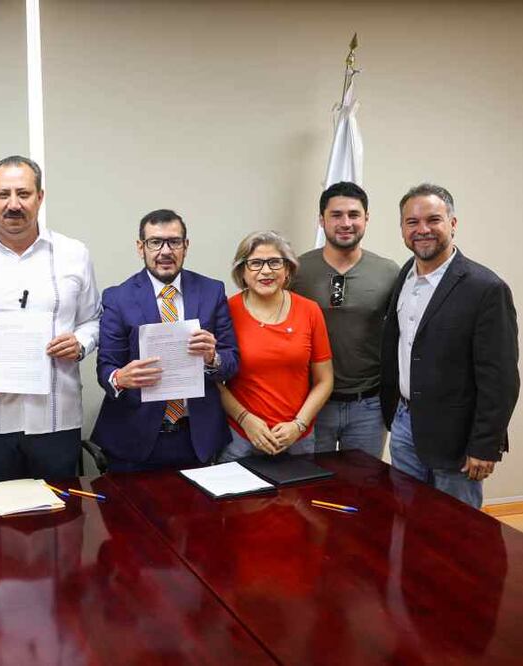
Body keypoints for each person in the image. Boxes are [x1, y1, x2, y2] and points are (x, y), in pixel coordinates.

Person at [0, 155, 101, 484]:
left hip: (56, 416)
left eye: (23, 194)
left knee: (60, 521)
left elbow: (92, 320)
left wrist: (81, 343)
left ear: (40, 197)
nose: (13, 204)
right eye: (3, 194)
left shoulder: (74, 254)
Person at [381, 184, 518, 509]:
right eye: (412, 222)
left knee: (458, 535)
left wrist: (485, 445)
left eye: (433, 219)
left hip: (456, 437)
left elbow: (499, 378)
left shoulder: (485, 288)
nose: (422, 229)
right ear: (402, 228)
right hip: (404, 424)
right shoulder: (405, 275)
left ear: (453, 224)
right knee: (408, 521)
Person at [91, 209, 238, 471]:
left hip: (196, 438)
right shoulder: (118, 297)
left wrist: (212, 357)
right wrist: (119, 378)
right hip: (134, 437)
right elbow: (106, 367)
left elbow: (232, 360)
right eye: (155, 242)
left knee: (200, 513)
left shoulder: (212, 291)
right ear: (141, 247)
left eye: (174, 242)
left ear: (186, 246)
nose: (165, 251)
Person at [292, 182, 399, 459]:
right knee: (311, 486)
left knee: (364, 487)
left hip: (369, 405)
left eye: (354, 214)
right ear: (321, 220)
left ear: (366, 218)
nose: (345, 223)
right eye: (336, 215)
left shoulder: (388, 272)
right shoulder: (297, 271)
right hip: (312, 403)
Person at [218, 231, 334, 461]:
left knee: (298, 498)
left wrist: (298, 425)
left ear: (288, 269)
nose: (266, 271)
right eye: (255, 263)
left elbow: (325, 380)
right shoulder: (225, 311)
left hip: (298, 439)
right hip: (241, 437)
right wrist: (245, 420)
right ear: (242, 271)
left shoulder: (309, 311)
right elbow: (213, 381)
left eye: (274, 262)